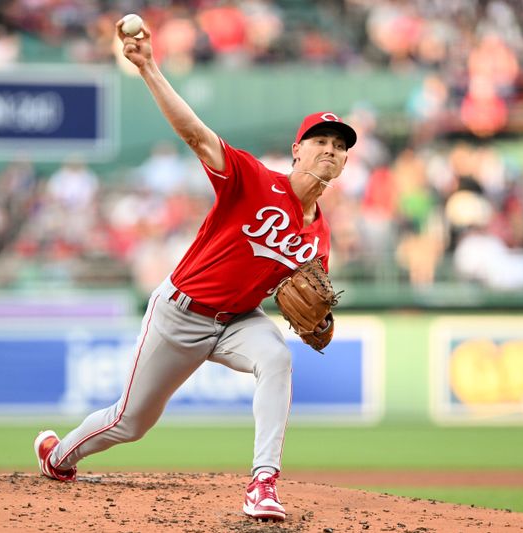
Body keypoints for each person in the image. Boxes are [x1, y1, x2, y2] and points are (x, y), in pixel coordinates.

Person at [33, 15, 356, 523]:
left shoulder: (320, 234)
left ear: (343, 165)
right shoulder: (252, 179)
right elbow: (195, 135)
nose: (330, 151)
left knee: (276, 359)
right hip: (180, 312)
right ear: (298, 149)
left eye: (339, 148)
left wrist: (319, 321)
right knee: (130, 422)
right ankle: (57, 457)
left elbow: (304, 300)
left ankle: (263, 483)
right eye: (321, 141)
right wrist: (148, 68)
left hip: (238, 321)